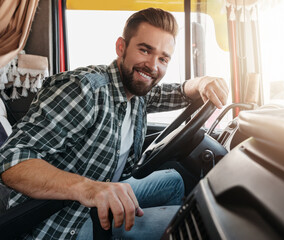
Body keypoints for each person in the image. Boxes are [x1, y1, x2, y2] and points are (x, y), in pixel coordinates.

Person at [0, 8, 228, 239]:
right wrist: (89, 188)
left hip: (101, 193)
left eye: (163, 58)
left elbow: (178, 92)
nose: (152, 65)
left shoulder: (137, 92)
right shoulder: (83, 89)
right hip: (62, 221)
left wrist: (204, 82)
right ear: (121, 47)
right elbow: (11, 159)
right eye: (144, 50)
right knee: (194, 230)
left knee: (174, 182)